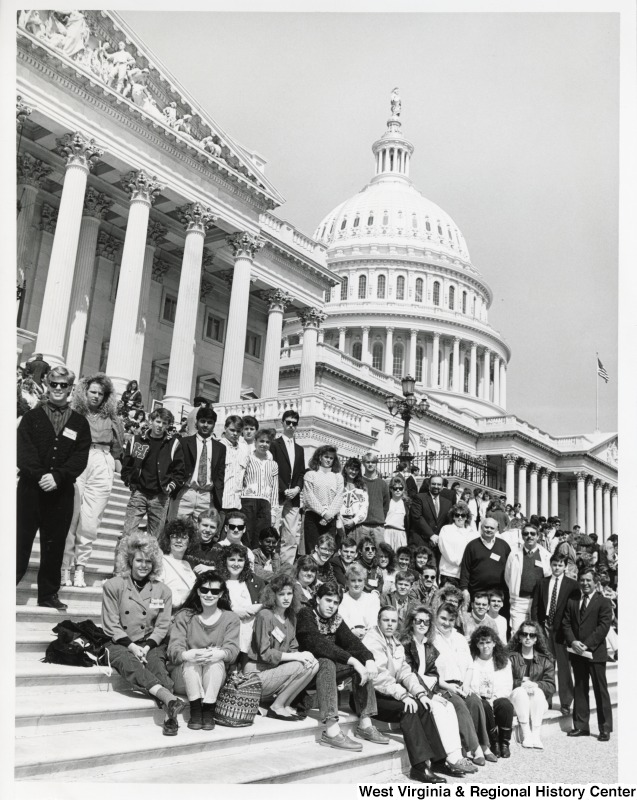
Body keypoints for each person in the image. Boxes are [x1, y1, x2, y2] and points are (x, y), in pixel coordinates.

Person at [17, 366, 91, 610]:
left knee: (55, 543)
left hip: (61, 493)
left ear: (71, 388)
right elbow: (23, 452)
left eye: (64, 385)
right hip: (30, 489)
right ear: (47, 385)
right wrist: (40, 475)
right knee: (19, 540)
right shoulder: (31, 418)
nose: (58, 389)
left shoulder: (80, 423)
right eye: (54, 384)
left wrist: (58, 477)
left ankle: (48, 594)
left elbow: (80, 458)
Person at [102, 532, 185, 735]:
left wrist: (147, 646)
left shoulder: (163, 590)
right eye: (139, 560)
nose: (143, 565)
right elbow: (111, 624)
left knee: (158, 666)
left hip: (151, 642)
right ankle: (168, 699)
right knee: (128, 663)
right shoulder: (114, 585)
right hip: (119, 642)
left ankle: (170, 716)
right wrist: (132, 646)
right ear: (129, 560)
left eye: (148, 561)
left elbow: (163, 625)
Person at [295, 581, 386, 751]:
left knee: (360, 665)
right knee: (326, 660)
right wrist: (353, 660)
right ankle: (331, 730)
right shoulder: (305, 614)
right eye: (328, 600)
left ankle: (365, 724)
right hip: (304, 674)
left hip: (325, 676)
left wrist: (368, 659)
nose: (332, 606)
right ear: (317, 598)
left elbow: (352, 643)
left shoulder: (335, 619)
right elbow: (318, 644)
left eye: (336, 602)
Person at [362, 607, 448, 784]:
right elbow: (379, 677)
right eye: (386, 620)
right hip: (369, 697)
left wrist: (421, 693)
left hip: (387, 693)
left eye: (393, 621)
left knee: (422, 705)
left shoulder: (395, 643)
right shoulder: (372, 640)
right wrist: (403, 695)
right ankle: (419, 768)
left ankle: (439, 761)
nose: (390, 624)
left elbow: (406, 673)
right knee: (408, 709)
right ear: (379, 621)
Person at [400, 605, 480, 777]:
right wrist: (430, 696)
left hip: (426, 691)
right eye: (418, 621)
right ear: (411, 623)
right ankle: (451, 759)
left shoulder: (428, 646)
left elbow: (432, 674)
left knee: (449, 706)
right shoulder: (406, 644)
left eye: (426, 622)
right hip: (410, 691)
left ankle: (455, 757)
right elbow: (410, 675)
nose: (422, 624)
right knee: (436, 708)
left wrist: (434, 693)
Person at [62, 373, 125, 588]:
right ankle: (64, 567)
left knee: (90, 520)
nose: (96, 396)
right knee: (70, 515)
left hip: (102, 458)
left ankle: (80, 567)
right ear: (84, 392)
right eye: (93, 392)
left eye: (101, 393)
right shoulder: (73, 413)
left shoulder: (113, 418)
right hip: (77, 457)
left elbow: (118, 446)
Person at [167, 569, 240, 731]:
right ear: (198, 591)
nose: (209, 594)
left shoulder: (230, 618)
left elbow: (233, 649)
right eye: (204, 590)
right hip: (184, 677)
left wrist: (217, 654)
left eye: (214, 591)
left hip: (213, 677)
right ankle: (195, 709)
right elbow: (173, 648)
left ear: (221, 594)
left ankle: (208, 709)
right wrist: (189, 654)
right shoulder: (184, 616)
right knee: (190, 663)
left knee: (215, 663)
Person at [244, 572, 319, 719]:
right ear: (273, 595)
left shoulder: (291, 617)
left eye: (289, 593)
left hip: (275, 671)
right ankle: (276, 706)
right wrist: (297, 656)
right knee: (302, 665)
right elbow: (265, 653)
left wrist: (300, 655)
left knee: (313, 664)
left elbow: (293, 647)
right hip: (256, 673)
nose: (286, 598)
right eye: (281, 594)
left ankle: (284, 704)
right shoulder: (265, 615)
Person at [431, 602, 495, 763]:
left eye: (451, 620)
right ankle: (476, 749)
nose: (446, 623)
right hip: (441, 685)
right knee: (458, 703)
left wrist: (466, 685)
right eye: (443, 618)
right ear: (436, 617)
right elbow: (429, 671)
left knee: (474, 701)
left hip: (461, 683)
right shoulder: (431, 639)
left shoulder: (459, 638)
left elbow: (469, 666)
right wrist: (449, 686)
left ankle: (484, 744)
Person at [562, 566, 613, 741]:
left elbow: (603, 627)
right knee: (580, 689)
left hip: (595, 653)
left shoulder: (603, 602)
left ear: (595, 582)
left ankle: (604, 728)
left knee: (601, 691)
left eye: (588, 580)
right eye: (582, 580)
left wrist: (586, 644)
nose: (585, 583)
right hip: (577, 653)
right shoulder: (573, 601)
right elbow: (566, 623)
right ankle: (581, 726)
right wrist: (573, 642)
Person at [120, 407, 185, 539]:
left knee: (155, 539)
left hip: (160, 496)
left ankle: (149, 560)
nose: (161, 426)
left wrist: (169, 487)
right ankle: (123, 559)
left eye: (165, 423)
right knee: (128, 534)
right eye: (158, 421)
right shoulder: (136, 440)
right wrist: (131, 482)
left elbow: (179, 472)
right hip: (139, 493)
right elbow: (127, 466)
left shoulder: (173, 444)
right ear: (151, 420)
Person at [531, 552, 580, 716]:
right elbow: (535, 607)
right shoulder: (542, 583)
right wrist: (537, 628)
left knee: (564, 668)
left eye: (560, 565)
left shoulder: (572, 585)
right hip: (544, 629)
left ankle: (566, 702)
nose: (557, 567)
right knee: (546, 667)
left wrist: (572, 633)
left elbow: (574, 611)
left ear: (565, 566)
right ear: (550, 565)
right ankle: (546, 699)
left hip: (562, 632)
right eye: (554, 564)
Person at [170, 406, 225, 521]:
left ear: (214, 425)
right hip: (185, 493)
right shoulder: (184, 443)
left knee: (200, 534)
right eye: (202, 421)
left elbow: (220, 474)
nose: (205, 425)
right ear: (197, 422)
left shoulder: (220, 448)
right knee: (177, 530)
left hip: (206, 496)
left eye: (209, 422)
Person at [467, 626, 514, 758]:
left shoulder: (503, 661)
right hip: (479, 698)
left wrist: (495, 698)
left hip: (497, 697)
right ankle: (494, 742)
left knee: (506, 705)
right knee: (484, 705)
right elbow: (468, 685)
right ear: (476, 644)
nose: (485, 646)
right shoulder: (472, 661)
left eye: (488, 642)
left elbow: (507, 686)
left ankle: (504, 743)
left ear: (494, 643)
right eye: (481, 643)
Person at [507, 620, 555, 749]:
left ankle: (536, 735)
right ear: (519, 637)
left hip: (537, 702)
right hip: (516, 699)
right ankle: (527, 734)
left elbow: (551, 686)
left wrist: (535, 684)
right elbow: (504, 682)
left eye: (532, 635)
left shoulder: (545, 660)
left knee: (538, 691)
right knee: (522, 692)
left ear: (536, 639)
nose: (528, 637)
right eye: (524, 634)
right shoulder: (510, 658)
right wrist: (521, 684)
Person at [270, 409, 306, 566]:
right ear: (282, 423)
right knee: (273, 531)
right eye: (288, 422)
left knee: (291, 535)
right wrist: (284, 489)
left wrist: (297, 488)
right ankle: (270, 564)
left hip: (294, 497)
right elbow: (272, 470)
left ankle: (287, 568)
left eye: (294, 423)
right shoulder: (274, 445)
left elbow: (300, 473)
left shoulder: (300, 449)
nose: (291, 426)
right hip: (278, 495)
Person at [219, 543, 265, 659]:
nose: (236, 564)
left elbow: (267, 603)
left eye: (240, 560)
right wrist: (234, 613)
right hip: (227, 631)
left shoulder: (255, 582)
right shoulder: (219, 582)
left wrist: (258, 607)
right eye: (232, 560)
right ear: (225, 561)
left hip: (250, 631)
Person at [504, 523, 552, 634]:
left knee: (537, 634)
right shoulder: (513, 555)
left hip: (538, 602)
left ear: (538, 536)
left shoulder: (546, 555)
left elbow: (548, 578)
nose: (529, 536)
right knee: (517, 632)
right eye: (526, 533)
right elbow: (508, 577)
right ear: (522, 536)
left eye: (532, 533)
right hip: (519, 601)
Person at [459, 517, 511, 614]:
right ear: (481, 528)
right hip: (477, 592)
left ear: (496, 530)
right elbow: (465, 569)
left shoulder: (504, 546)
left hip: (498, 594)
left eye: (492, 528)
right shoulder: (472, 546)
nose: (489, 530)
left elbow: (510, 569)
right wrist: (464, 589)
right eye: (486, 527)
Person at [240, 428, 279, 548]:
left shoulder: (273, 464)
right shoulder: (248, 459)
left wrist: (273, 512)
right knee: (246, 535)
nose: (264, 444)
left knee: (261, 537)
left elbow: (274, 490)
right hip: (248, 501)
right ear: (255, 442)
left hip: (265, 503)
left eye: (267, 442)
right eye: (261, 441)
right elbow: (240, 481)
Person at [302, 445, 344, 553]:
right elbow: (309, 497)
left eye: (331, 458)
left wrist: (329, 515)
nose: (328, 460)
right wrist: (323, 513)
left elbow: (339, 498)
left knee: (327, 550)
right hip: (313, 516)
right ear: (320, 457)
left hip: (330, 518)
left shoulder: (338, 477)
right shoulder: (310, 474)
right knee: (312, 550)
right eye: (326, 457)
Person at [157, 517, 197, 611]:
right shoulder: (161, 561)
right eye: (175, 536)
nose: (179, 541)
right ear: (168, 539)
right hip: (167, 614)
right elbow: (155, 597)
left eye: (184, 537)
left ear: (189, 541)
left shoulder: (187, 564)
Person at [409, 474, 452, 556]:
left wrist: (439, 538)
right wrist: (431, 535)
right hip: (420, 541)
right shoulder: (419, 498)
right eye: (433, 484)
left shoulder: (447, 503)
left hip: (437, 545)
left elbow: (447, 523)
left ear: (442, 487)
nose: (436, 486)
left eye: (439, 484)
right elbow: (417, 517)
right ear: (429, 485)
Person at [338, 563, 381, 640]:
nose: (357, 584)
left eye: (360, 580)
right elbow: (343, 619)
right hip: (348, 638)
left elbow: (374, 622)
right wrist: (352, 631)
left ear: (364, 582)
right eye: (353, 580)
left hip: (371, 638)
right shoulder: (341, 599)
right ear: (347, 582)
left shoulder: (372, 599)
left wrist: (367, 633)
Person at [218, 415, 249, 518]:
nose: (235, 434)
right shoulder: (218, 446)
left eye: (238, 431)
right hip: (221, 502)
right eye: (232, 430)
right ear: (225, 428)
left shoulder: (245, 449)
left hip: (238, 503)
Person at [438, 502, 473, 589]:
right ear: (453, 517)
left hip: (466, 575)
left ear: (467, 517)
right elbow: (445, 549)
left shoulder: (473, 532)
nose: (460, 517)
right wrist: (462, 563)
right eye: (457, 515)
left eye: (463, 515)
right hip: (449, 572)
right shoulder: (446, 529)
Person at [358, 452, 390, 547]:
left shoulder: (383, 484)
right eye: (368, 462)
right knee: (362, 551)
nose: (370, 464)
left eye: (373, 462)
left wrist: (379, 517)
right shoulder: (359, 482)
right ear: (363, 463)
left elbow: (386, 505)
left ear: (376, 464)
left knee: (380, 552)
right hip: (362, 525)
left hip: (378, 526)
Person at [338, 457, 369, 540]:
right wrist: (340, 519)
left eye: (356, 470)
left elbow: (364, 508)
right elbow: (334, 503)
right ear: (346, 468)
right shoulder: (339, 485)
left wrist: (354, 521)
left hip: (355, 525)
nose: (353, 472)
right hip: (339, 523)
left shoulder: (361, 488)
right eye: (351, 469)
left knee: (354, 550)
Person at [185, 509, 223, 573]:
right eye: (205, 525)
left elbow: (225, 570)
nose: (208, 530)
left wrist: (210, 568)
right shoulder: (187, 543)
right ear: (198, 525)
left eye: (212, 527)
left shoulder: (219, 550)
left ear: (216, 530)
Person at [384, 474, 410, 550]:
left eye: (400, 488)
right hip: (387, 532)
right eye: (395, 488)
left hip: (401, 533)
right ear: (391, 489)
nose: (398, 490)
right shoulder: (387, 502)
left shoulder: (406, 504)